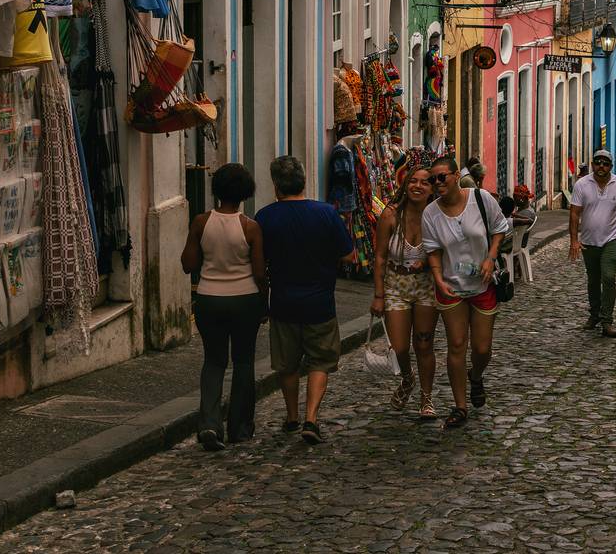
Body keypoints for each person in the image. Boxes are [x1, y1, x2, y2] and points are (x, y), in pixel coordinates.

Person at [255, 156, 356, 444]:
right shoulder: (326, 214)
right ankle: (311, 417)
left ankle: (291, 417)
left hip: (283, 302)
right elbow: (348, 255)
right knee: (320, 361)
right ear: (303, 181)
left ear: (276, 186)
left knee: (287, 364)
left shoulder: (265, 217)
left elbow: (259, 263)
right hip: (320, 302)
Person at [181, 163, 266, 451]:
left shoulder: (201, 222)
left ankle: (209, 423)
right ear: (245, 193)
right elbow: (259, 273)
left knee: (214, 361)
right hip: (245, 299)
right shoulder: (250, 227)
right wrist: (264, 302)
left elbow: (188, 264)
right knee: (243, 362)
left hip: (209, 298)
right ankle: (240, 428)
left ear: (216, 189)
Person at [422, 155, 512, 429]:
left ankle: (476, 375)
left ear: (455, 177)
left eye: (442, 177)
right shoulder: (431, 214)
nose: (437, 183)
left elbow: (499, 229)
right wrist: (438, 279)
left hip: (483, 284)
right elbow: (433, 250)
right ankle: (460, 406)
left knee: (482, 348)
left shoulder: (481, 199)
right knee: (457, 344)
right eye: (433, 179)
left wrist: (490, 258)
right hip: (451, 286)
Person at [371, 167, 440, 420]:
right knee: (399, 346)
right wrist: (379, 295)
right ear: (405, 184)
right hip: (395, 285)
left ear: (432, 189)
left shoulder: (437, 216)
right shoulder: (391, 215)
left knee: (424, 343)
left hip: (426, 286)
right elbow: (380, 257)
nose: (418, 186)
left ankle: (426, 398)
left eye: (424, 183)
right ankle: (408, 378)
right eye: (413, 181)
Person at [568, 149, 616, 338]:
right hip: (588, 241)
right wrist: (574, 240)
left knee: (608, 276)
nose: (601, 166)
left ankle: (607, 320)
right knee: (593, 280)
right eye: (598, 162)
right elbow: (574, 213)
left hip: (612, 239)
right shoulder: (582, 185)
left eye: (605, 163)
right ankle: (594, 314)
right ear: (592, 164)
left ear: (611, 166)